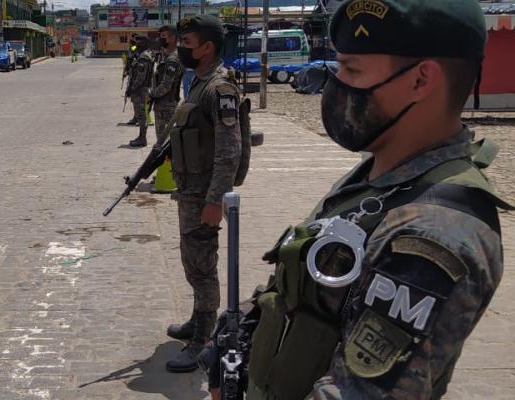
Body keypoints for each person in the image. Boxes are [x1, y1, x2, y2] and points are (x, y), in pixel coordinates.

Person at [207, 0, 514, 398]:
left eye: (352, 70)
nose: (335, 84)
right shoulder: (383, 177)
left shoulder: (433, 233)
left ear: (421, 81)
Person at [163, 14, 242, 373]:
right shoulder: (199, 82)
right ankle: (199, 319)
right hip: (190, 191)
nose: (182, 49)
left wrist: (215, 201)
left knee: (202, 267)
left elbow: (230, 151)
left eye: (188, 44)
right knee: (192, 263)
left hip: (203, 195)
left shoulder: (219, 88)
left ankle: (204, 340)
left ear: (207, 48)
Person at [149, 25, 184, 146]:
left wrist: (151, 95)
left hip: (167, 105)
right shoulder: (166, 56)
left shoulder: (173, 59)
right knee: (162, 140)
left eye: (163, 36)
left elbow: (166, 85)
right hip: (161, 104)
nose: (160, 39)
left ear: (173, 38)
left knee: (167, 141)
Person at [124, 36, 153, 147]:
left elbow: (140, 77)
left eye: (139, 43)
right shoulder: (141, 55)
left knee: (141, 115)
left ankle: (142, 138)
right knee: (140, 114)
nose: (136, 45)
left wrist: (132, 89)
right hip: (139, 90)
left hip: (140, 90)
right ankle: (141, 137)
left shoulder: (144, 57)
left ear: (144, 44)